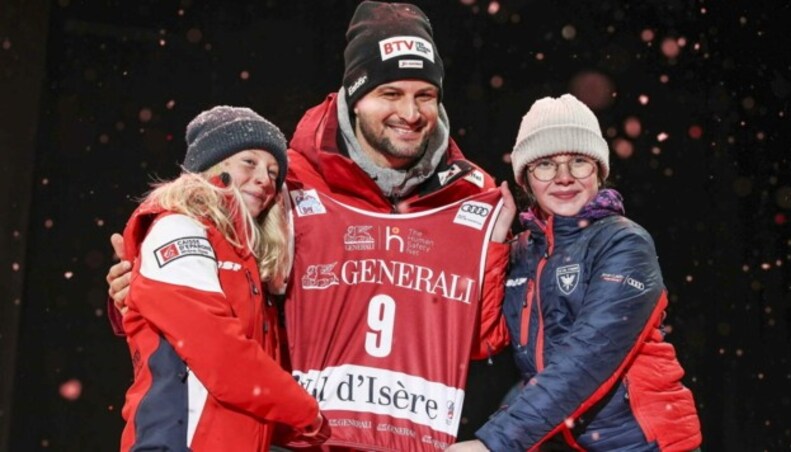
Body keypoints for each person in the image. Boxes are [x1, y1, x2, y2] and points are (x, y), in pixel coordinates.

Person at [108, 2, 515, 451]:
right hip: (293, 438)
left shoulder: (473, 195)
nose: (411, 112)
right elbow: (226, 283)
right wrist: (138, 287)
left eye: (425, 95)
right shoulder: (292, 182)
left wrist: (495, 250)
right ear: (355, 98)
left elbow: (480, 337)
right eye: (391, 94)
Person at [446, 94, 703, 451]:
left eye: (579, 161)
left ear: (599, 170)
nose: (564, 177)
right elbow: (484, 339)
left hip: (645, 444)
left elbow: (586, 359)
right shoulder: (524, 250)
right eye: (546, 164)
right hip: (568, 441)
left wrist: (495, 443)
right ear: (525, 180)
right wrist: (497, 243)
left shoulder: (624, 243)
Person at [117, 106, 327, 451]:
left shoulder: (249, 268)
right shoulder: (178, 227)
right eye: (249, 162)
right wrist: (307, 414)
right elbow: (219, 352)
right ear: (213, 165)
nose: (265, 179)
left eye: (274, 173)